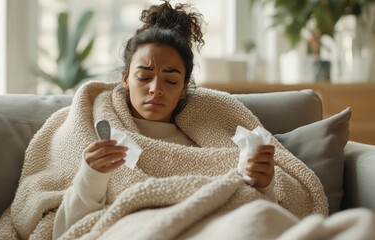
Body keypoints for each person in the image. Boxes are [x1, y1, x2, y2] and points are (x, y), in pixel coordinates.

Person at [52, 1, 275, 238]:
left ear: (183, 87)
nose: (156, 89)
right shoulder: (93, 135)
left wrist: (264, 183)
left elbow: (253, 211)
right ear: (125, 79)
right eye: (144, 77)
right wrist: (91, 175)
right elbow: (65, 231)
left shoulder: (207, 140)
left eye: (170, 81)